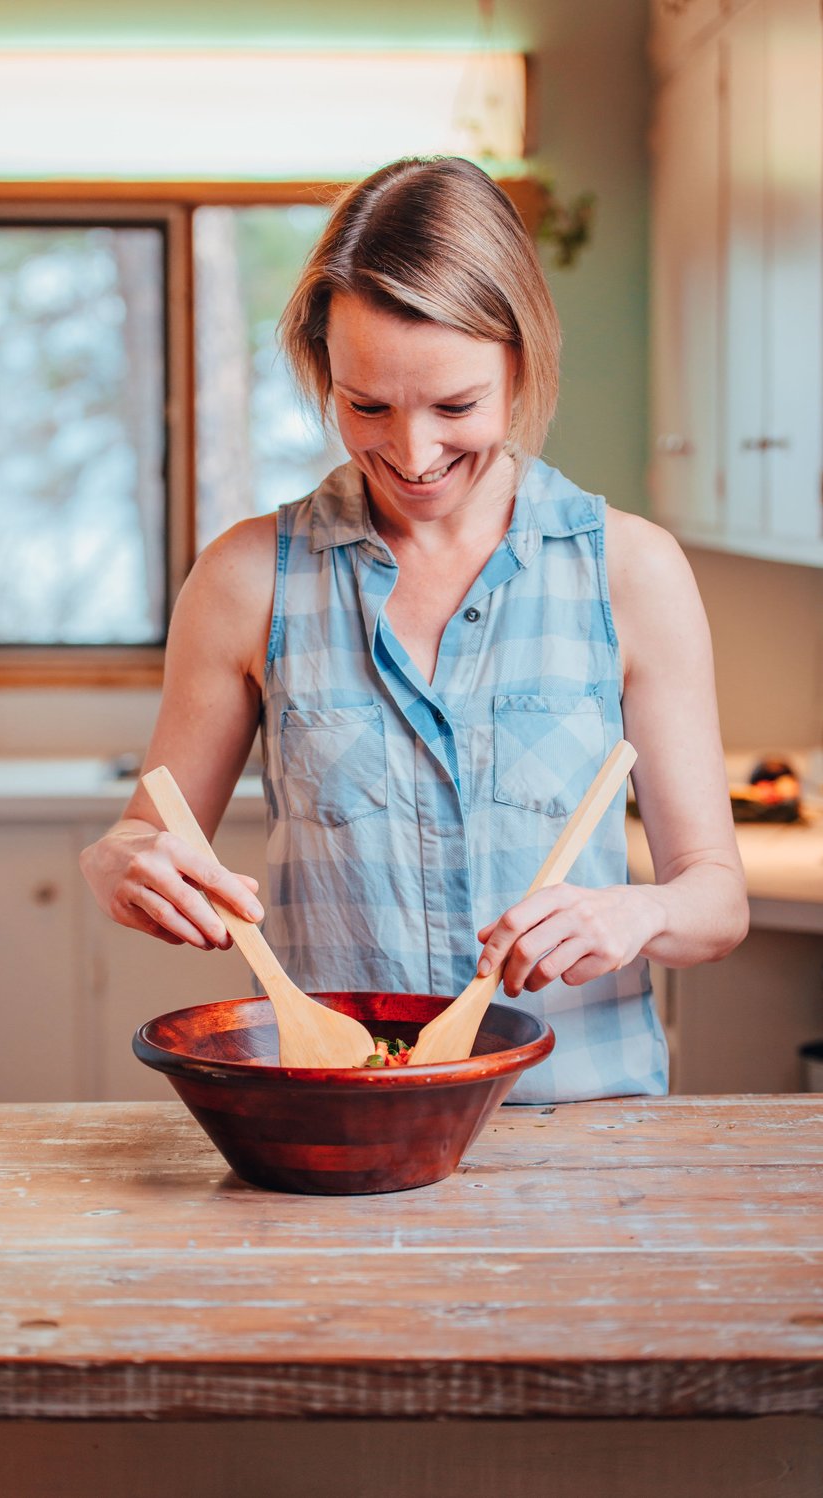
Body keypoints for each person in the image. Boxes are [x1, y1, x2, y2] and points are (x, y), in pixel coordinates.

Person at [80, 155, 748, 1102]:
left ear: (522, 363)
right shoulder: (245, 581)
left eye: (456, 406)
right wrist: (120, 862)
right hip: (338, 1126)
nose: (414, 451)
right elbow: (150, 830)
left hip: (582, 1131)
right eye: (368, 406)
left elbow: (715, 900)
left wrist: (636, 913)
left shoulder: (631, 572)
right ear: (325, 373)